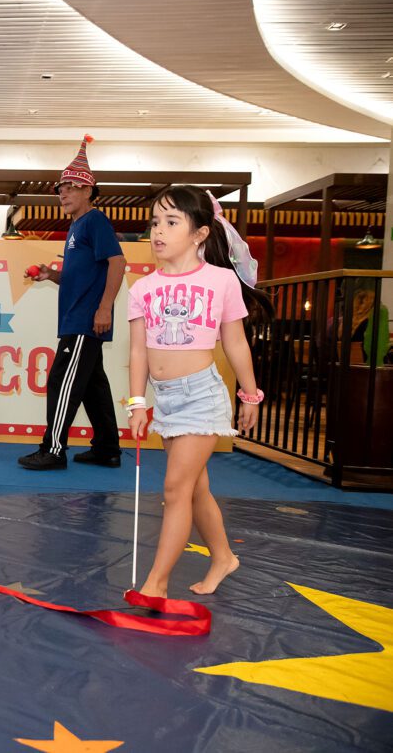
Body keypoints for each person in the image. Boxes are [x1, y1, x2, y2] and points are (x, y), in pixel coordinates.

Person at [126, 185, 273, 598]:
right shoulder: (142, 288)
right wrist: (138, 403)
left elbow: (236, 342)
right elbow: (138, 352)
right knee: (196, 489)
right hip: (166, 399)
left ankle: (155, 584)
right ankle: (223, 556)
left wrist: (250, 394)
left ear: (200, 234)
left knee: (175, 490)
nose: (158, 231)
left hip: (202, 396)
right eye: (155, 222)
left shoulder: (221, 280)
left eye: (172, 222)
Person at [20, 135, 126, 470]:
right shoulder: (76, 227)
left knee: (61, 381)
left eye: (70, 188)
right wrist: (52, 275)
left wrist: (104, 308)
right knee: (93, 384)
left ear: (88, 191)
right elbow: (79, 276)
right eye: (60, 189)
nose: (62, 194)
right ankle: (107, 448)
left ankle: (53, 450)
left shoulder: (95, 221)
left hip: (84, 320)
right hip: (77, 318)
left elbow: (118, 262)